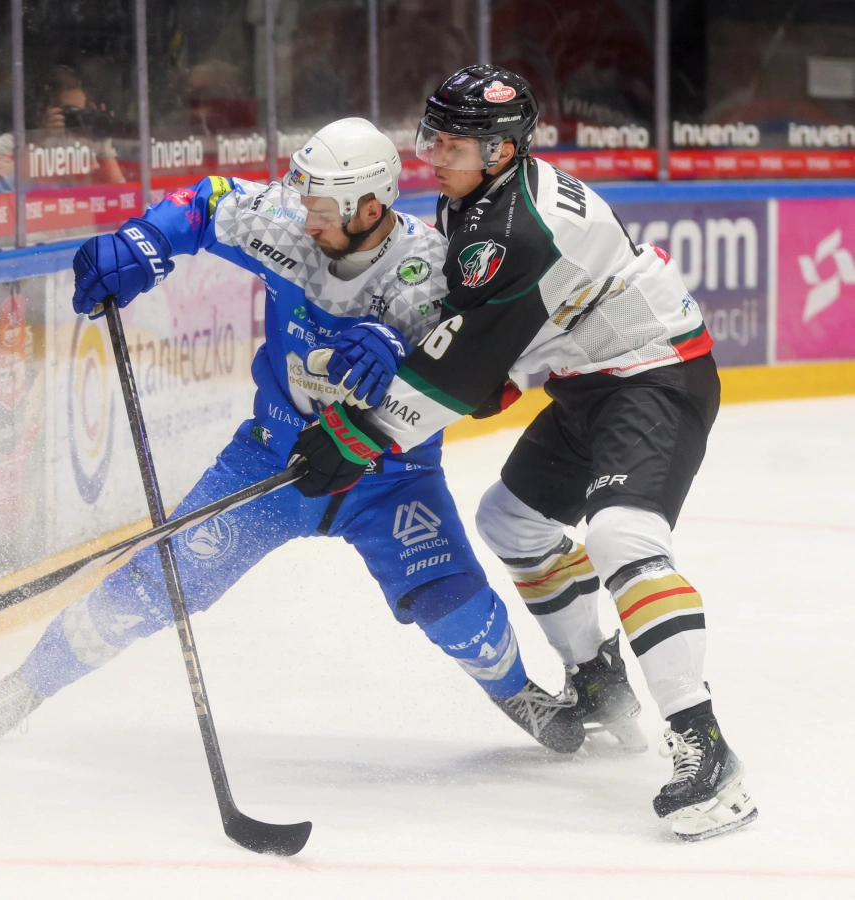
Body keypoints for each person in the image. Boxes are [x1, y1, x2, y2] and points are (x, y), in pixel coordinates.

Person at [0, 118, 585, 754]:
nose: (306, 222)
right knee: (151, 587)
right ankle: (25, 688)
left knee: (455, 607)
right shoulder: (288, 218)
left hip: (390, 477)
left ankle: (515, 690)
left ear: (370, 209)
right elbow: (206, 202)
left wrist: (399, 349)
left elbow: (473, 371)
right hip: (271, 460)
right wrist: (143, 240)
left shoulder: (430, 270)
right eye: (304, 202)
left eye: (323, 212)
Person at [288, 66, 756, 841]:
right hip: (590, 380)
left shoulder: (510, 230)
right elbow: (484, 342)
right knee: (511, 521)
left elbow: (463, 370)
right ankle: (601, 681)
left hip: (655, 376)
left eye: (451, 143)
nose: (432, 154)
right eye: (432, 135)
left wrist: (358, 435)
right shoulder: (478, 199)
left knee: (622, 536)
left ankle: (707, 748)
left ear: (500, 151)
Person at [0, 65, 125, 192]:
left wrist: (102, 142)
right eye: (71, 112)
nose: (78, 119)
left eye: (81, 112)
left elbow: (119, 193)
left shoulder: (85, 145)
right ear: (44, 111)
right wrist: (40, 140)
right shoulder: (10, 145)